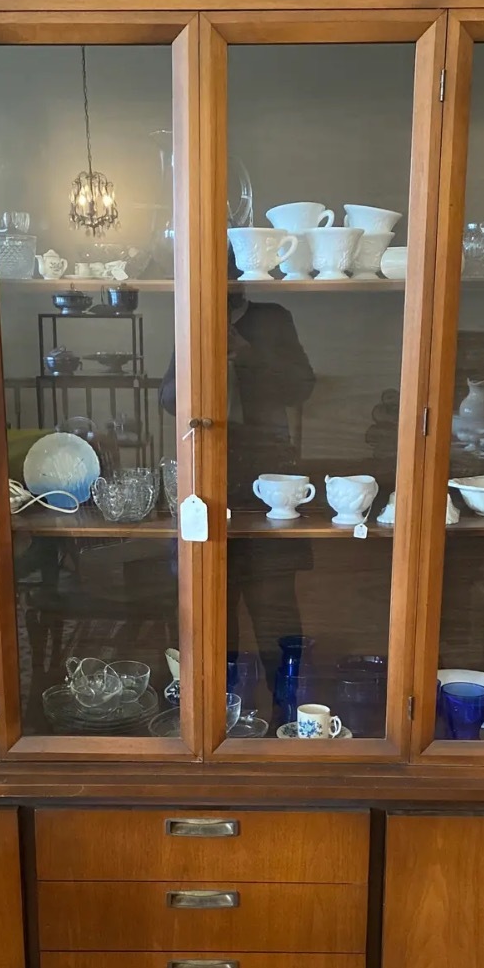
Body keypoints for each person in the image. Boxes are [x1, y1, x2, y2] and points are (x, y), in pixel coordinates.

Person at [160, 279, 317, 715]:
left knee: (275, 605)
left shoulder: (272, 318)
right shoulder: (192, 319)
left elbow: (302, 387)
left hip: (268, 473)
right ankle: (217, 713)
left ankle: (288, 712)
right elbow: (169, 400)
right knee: (211, 603)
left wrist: (247, 354)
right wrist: (204, 354)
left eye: (231, 271)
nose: (225, 281)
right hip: (205, 473)